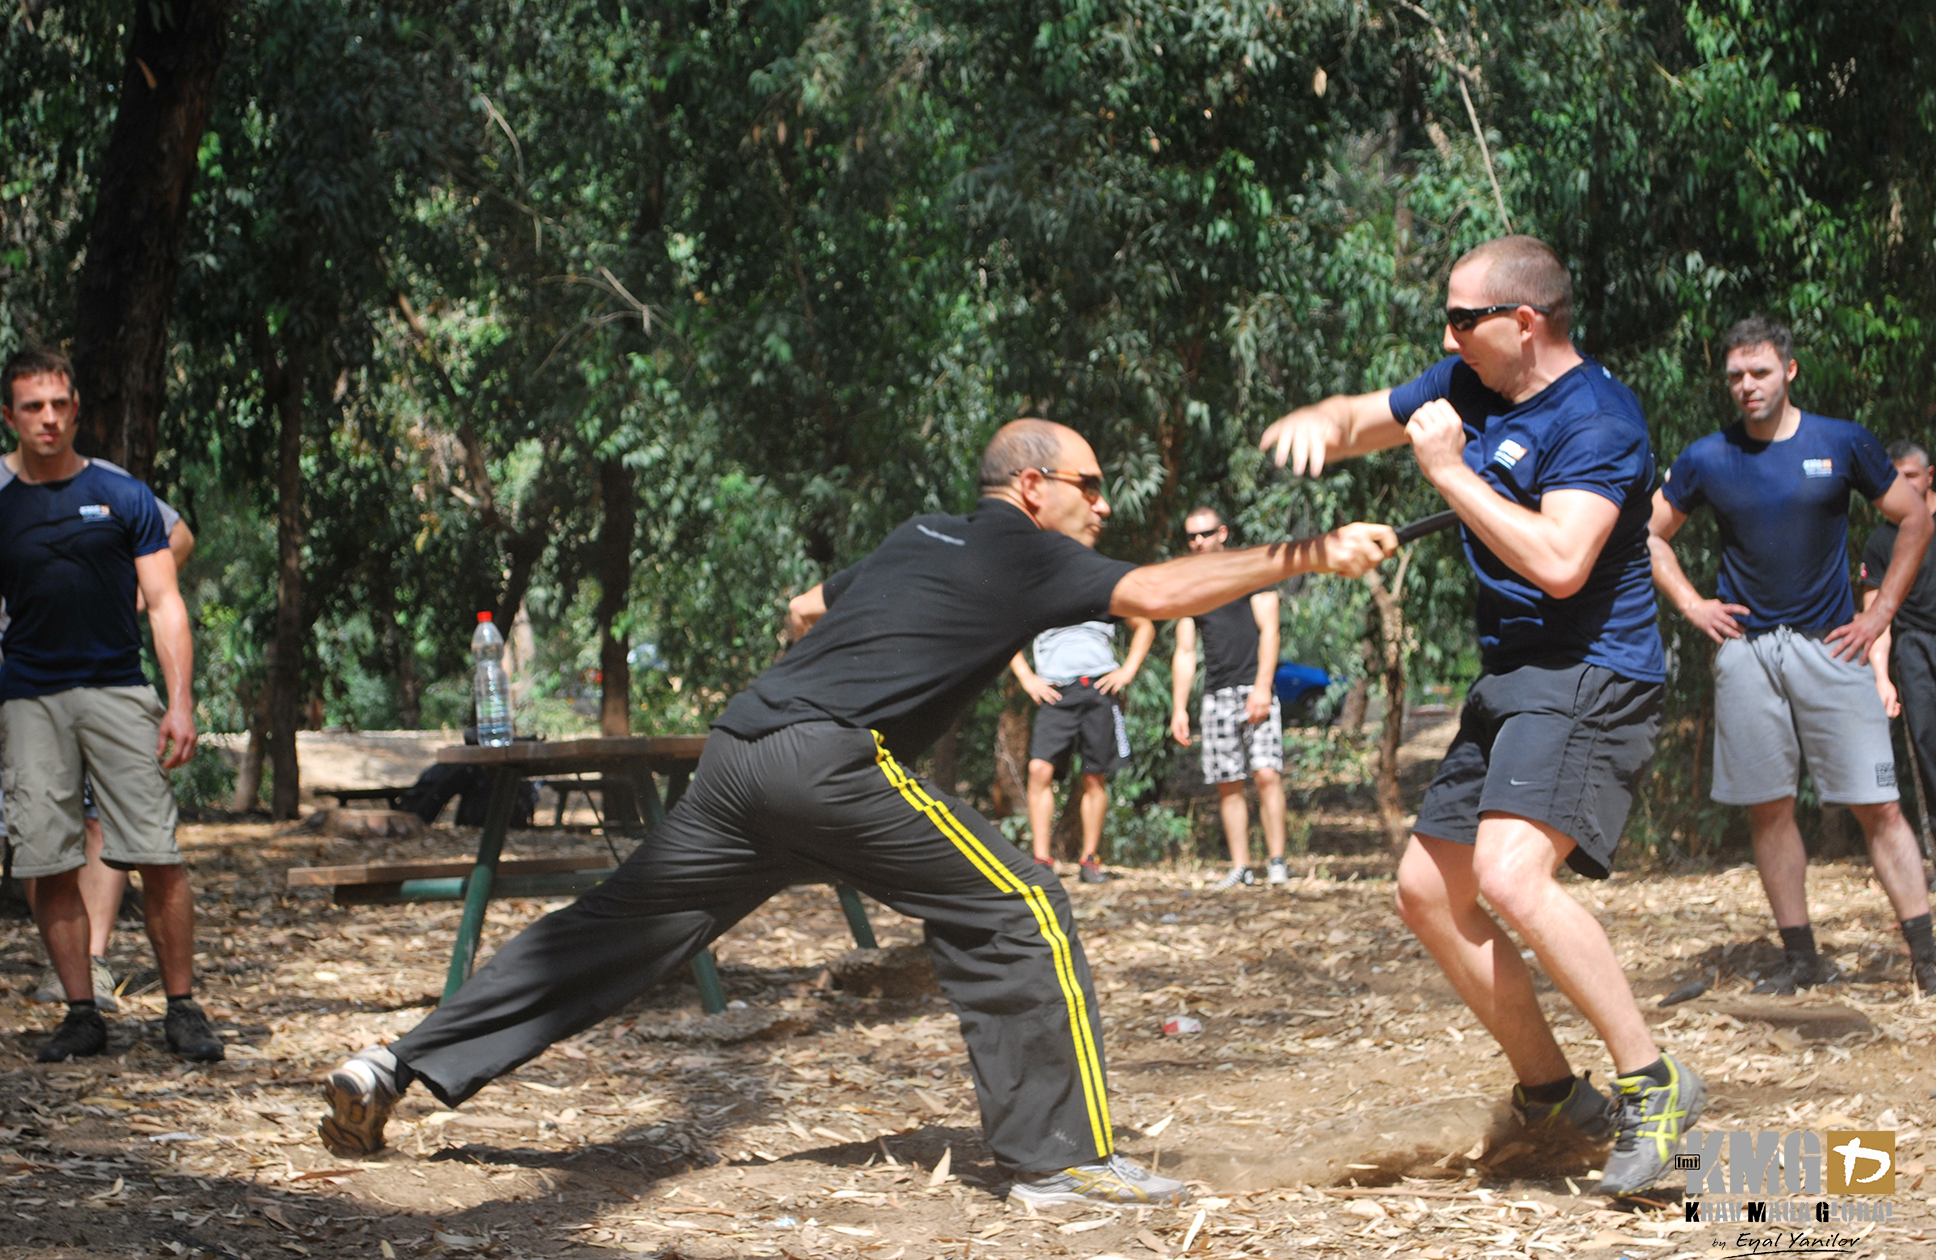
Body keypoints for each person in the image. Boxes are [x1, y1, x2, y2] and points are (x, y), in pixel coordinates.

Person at [317, 418, 1396, 1207]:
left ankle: (393, 1068)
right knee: (1018, 905)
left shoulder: (920, 533)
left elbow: (807, 605)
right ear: (1031, 487)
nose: (1101, 504)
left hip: (741, 754)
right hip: (830, 762)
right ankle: (1059, 1161)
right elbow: (1158, 594)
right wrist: (1314, 552)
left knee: (607, 931)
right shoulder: (1028, 547)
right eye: (1090, 484)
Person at [1260, 234, 1701, 1196]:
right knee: (1426, 891)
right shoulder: (1468, 382)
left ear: (1523, 322)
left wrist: (1452, 478)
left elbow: (1558, 562)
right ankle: (1552, 1094)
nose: (1447, 335)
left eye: (1462, 318)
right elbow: (1358, 417)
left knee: (1508, 871)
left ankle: (1653, 1078)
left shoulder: (1598, 419)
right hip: (1512, 681)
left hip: (1591, 673)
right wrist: (1318, 424)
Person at [1650, 318, 1936, 998]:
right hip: (1748, 654)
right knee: (1769, 808)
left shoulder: (1841, 442)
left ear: (1790, 372)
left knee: (1880, 805)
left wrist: (1881, 613)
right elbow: (1651, 537)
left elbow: (1914, 519)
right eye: (1735, 377)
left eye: (1760, 373)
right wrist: (1693, 606)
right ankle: (1800, 957)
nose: (1747, 387)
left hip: (1834, 646)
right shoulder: (1706, 458)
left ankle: (1926, 958)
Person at [0, 346, 218, 1063]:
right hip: (29, 697)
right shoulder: (4, 505)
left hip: (119, 688)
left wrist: (178, 702)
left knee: (157, 851)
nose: (50, 418)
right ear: (10, 417)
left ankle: (182, 1008)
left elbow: (165, 603)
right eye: (34, 406)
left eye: (60, 404)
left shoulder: (122, 495)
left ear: (76, 409)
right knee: (46, 860)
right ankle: (81, 1012)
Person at [17, 509, 195, 1011]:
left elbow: (177, 536)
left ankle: (92, 964)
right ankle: (68, 970)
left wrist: (129, 599)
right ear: (13, 422)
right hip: (21, 682)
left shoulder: (108, 488)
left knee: (99, 824)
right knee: (39, 831)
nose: (47, 423)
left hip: (97, 678)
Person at [1167, 508, 1290, 887]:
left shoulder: (1249, 572)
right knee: (1228, 782)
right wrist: (1178, 707)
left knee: (1267, 774)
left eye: (1204, 533)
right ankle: (1241, 867)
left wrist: (1263, 689)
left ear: (1222, 532)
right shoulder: (1192, 588)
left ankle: (1277, 863)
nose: (1198, 542)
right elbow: (1185, 652)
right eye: (1191, 537)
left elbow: (1270, 631)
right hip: (1216, 695)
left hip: (1255, 689)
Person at [1008, 613, 1155, 885]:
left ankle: (1089, 861)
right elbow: (1006, 629)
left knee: (1094, 776)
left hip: (1098, 689)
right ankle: (1041, 860)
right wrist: (1027, 678)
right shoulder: (1043, 590)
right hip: (1054, 693)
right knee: (1039, 769)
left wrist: (1128, 669)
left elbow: (1144, 624)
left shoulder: (1100, 592)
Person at [1863, 442, 1936, 854]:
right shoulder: (1880, 542)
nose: (1904, 485)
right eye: (1896, 478)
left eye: (1911, 476)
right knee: (1928, 751)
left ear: (1929, 476)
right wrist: (1881, 677)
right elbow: (1876, 617)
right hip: (1913, 650)